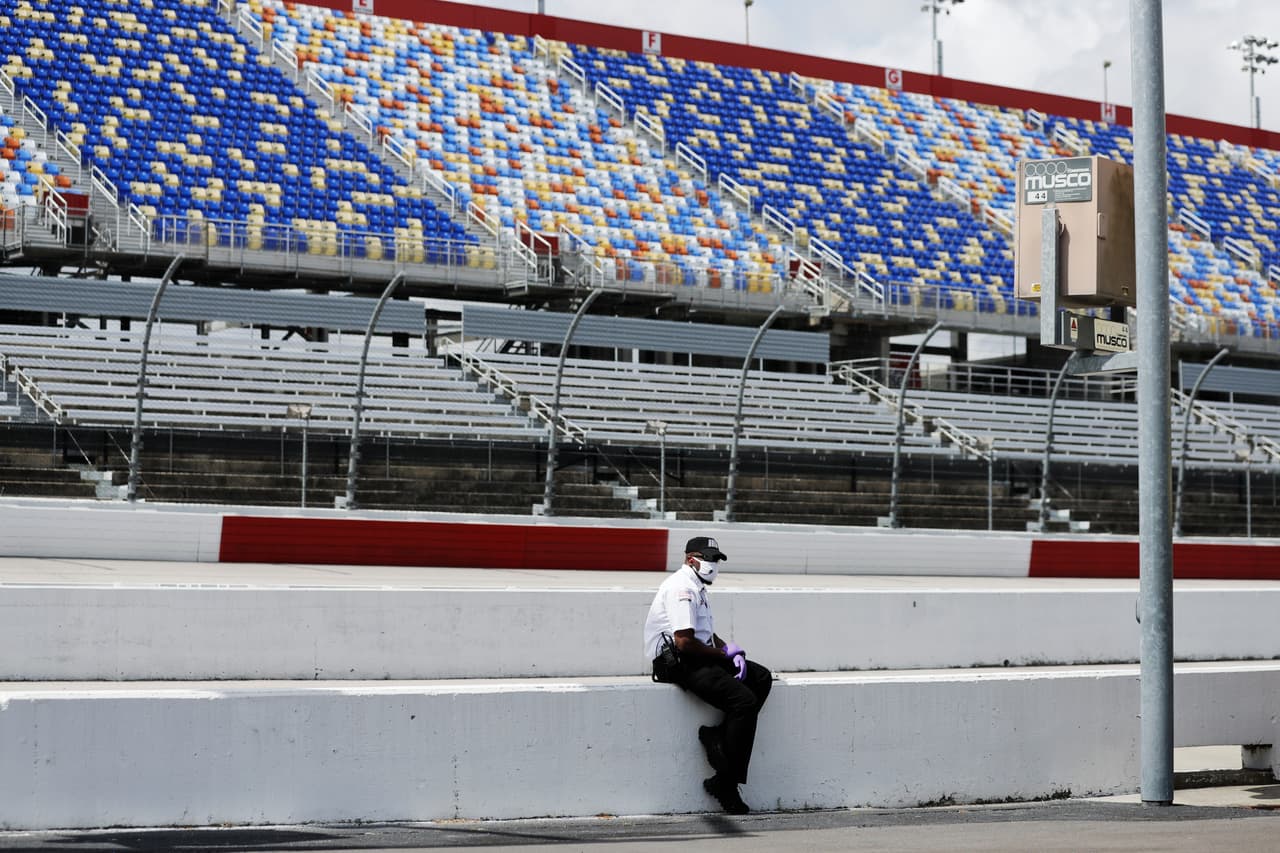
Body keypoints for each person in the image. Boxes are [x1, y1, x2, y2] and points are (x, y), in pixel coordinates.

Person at [642, 535, 773, 815]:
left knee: (760, 677)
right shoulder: (682, 589)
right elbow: (684, 643)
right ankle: (726, 784)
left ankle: (718, 738)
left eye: (717, 559)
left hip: (696, 655)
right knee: (744, 702)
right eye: (709, 558)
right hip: (678, 663)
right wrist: (724, 655)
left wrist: (729, 650)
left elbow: (702, 634)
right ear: (691, 559)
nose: (713, 564)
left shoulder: (696, 585)